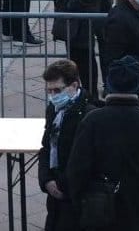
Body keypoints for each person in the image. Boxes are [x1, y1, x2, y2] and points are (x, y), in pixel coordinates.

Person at [67, 55, 139, 225]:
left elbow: (77, 168)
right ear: (138, 84)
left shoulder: (93, 120)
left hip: (101, 211)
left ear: (109, 83)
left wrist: (82, 201)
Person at [38, 60, 95, 231]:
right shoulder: (53, 109)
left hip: (76, 195)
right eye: (49, 91)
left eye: (57, 90)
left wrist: (61, 185)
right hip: (55, 191)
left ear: (74, 85)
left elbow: (85, 159)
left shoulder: (89, 114)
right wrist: (46, 179)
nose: (53, 95)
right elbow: (46, 146)